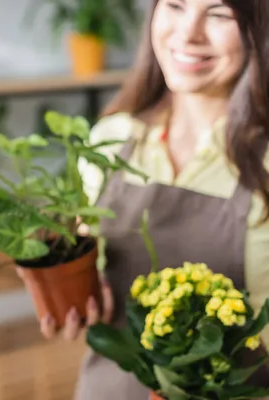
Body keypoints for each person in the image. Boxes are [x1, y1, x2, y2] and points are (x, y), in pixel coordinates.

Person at [38, 0, 269, 398]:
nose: (188, 33)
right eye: (175, 5)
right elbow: (86, 262)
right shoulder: (111, 139)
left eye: (218, 14)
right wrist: (82, 303)